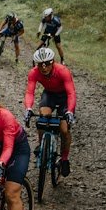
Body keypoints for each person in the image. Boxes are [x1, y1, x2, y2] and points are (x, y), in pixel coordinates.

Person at [24, 46, 77, 176]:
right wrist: (28, 108)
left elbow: (71, 93)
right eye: (40, 64)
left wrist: (70, 111)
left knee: (64, 129)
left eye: (47, 63)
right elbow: (29, 92)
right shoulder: (34, 72)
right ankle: (42, 144)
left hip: (64, 97)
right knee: (42, 118)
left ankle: (64, 159)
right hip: (50, 94)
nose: (44, 67)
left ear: (53, 61)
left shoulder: (63, 71)